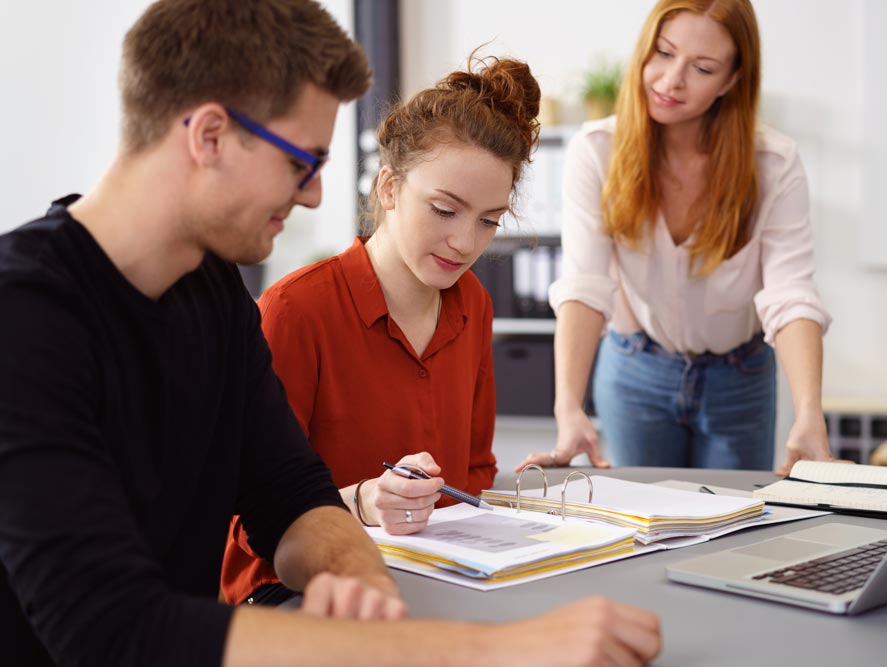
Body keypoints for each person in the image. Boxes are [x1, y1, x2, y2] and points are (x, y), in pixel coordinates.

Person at [0, 1, 661, 665]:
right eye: (301, 163)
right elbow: (108, 628)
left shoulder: (214, 293)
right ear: (209, 136)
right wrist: (476, 648)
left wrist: (364, 582)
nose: (315, 196)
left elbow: (289, 497)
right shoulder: (24, 313)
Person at [220, 55, 532, 607]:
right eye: (443, 209)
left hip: (435, 580)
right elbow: (247, 518)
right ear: (389, 187)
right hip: (293, 590)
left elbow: (475, 474)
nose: (464, 243)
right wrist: (363, 501)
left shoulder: (473, 305)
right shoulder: (296, 309)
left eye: (488, 220)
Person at [517, 0, 834, 477]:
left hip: (740, 377)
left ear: (731, 80)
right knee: (640, 533)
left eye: (702, 68)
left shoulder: (774, 163)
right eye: (663, 54)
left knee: (734, 537)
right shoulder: (596, 151)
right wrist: (568, 406)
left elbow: (791, 295)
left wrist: (811, 412)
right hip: (635, 372)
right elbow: (584, 286)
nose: (670, 81)